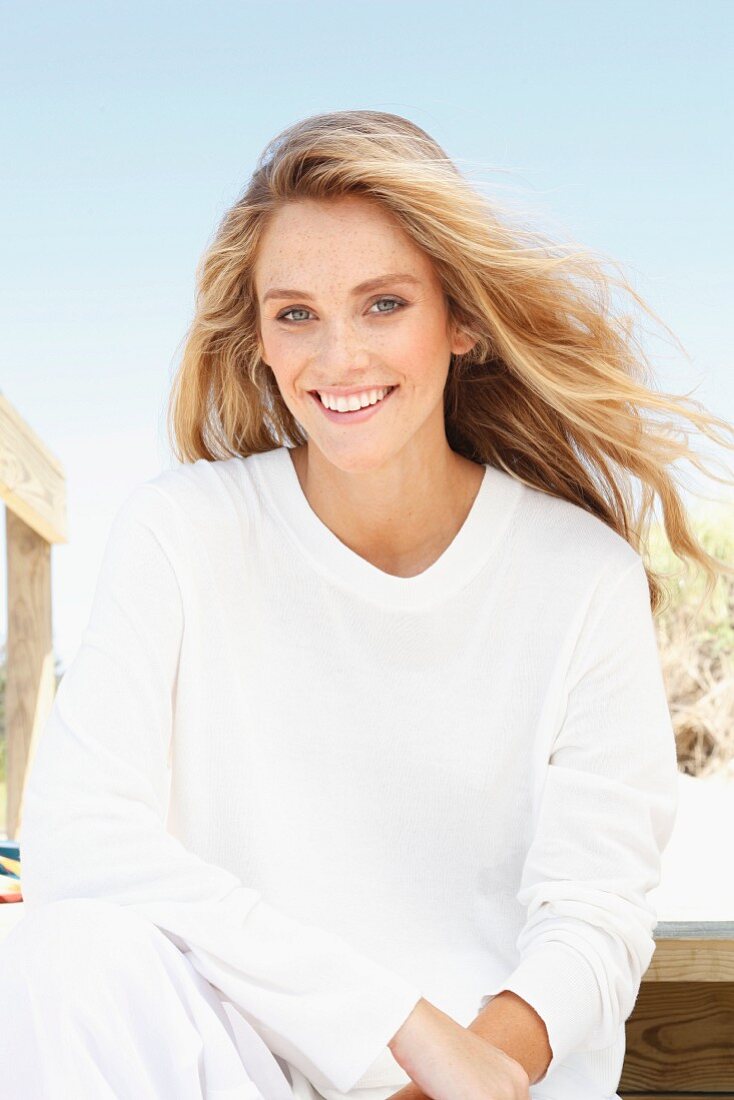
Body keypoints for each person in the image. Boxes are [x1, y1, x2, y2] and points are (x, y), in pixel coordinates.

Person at [2, 109, 733, 1100]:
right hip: (250, 1069)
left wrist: (461, 1072)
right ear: (258, 336)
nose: (335, 357)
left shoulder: (579, 574)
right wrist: (389, 1026)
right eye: (295, 312)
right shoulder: (182, 531)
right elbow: (78, 840)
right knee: (51, 954)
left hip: (495, 1085)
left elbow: (592, 912)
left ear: (458, 319)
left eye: (382, 303)